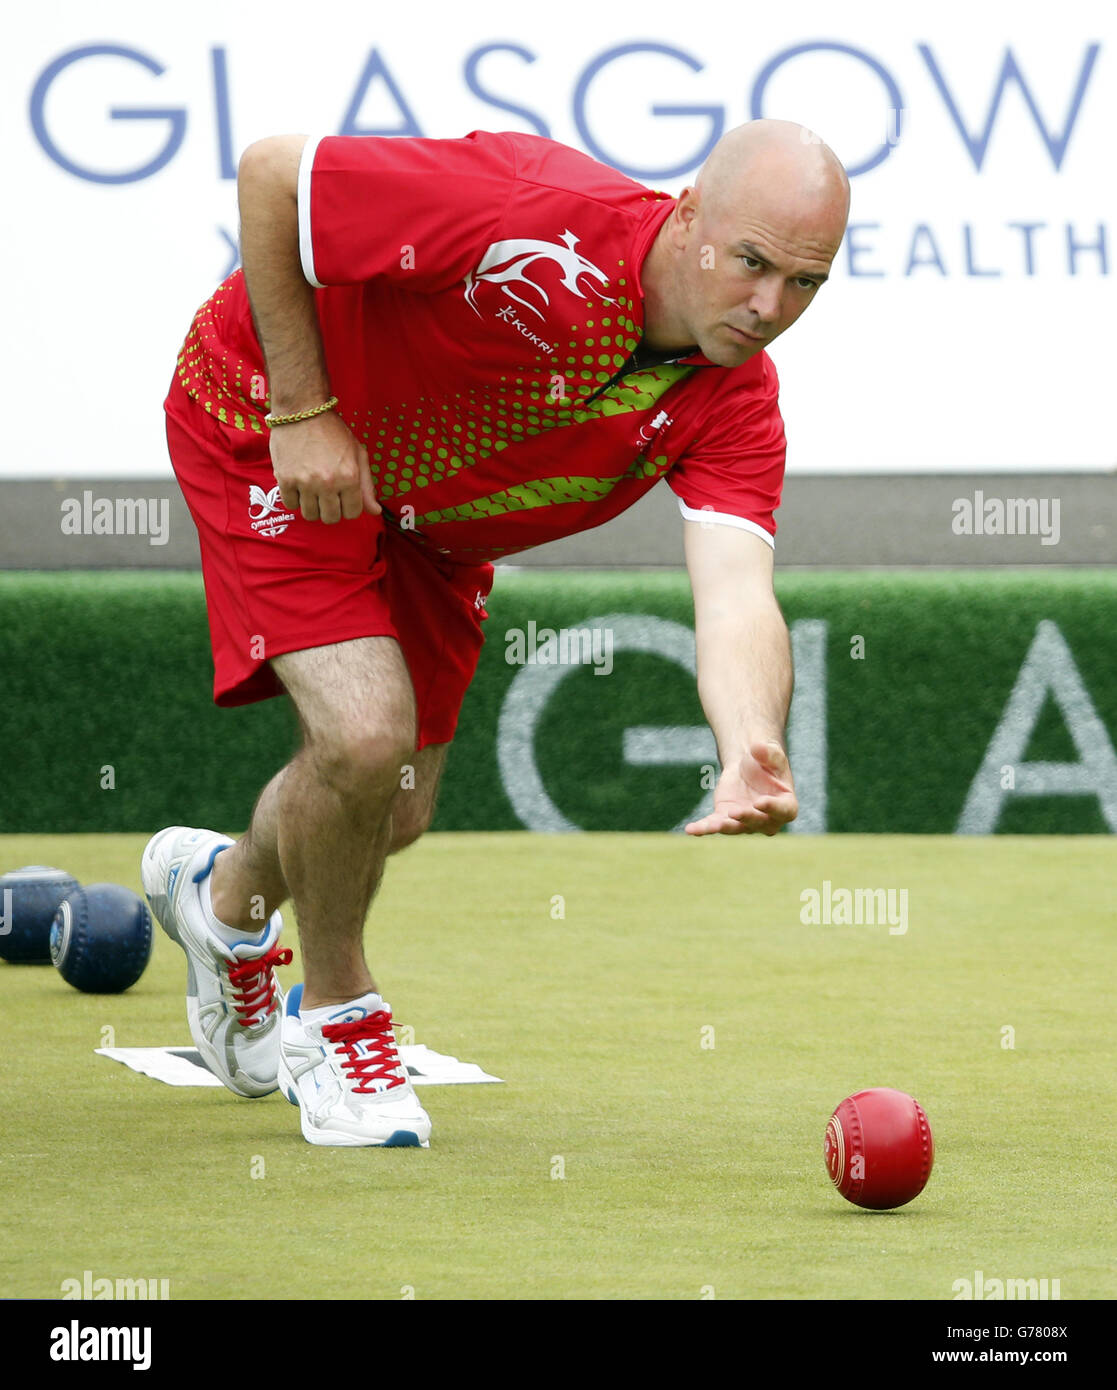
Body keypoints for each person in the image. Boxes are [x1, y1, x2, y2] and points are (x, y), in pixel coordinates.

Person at [142, 118, 850, 1148]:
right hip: (275, 426)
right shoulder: (525, 203)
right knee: (364, 735)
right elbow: (269, 176)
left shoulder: (735, 403)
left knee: (394, 805)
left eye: (804, 285)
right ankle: (339, 1021)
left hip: (434, 523)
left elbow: (737, 593)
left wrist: (747, 742)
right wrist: (301, 407)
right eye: (751, 263)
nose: (768, 308)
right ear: (688, 214)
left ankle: (224, 897)